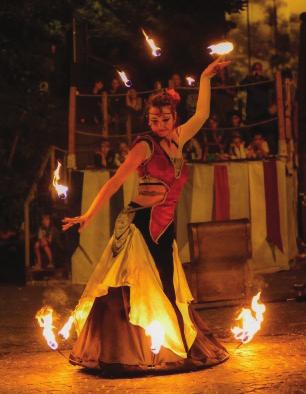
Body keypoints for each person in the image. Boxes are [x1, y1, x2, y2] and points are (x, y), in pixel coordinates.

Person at [62, 56, 230, 375]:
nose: (159, 125)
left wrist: (206, 76)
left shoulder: (179, 138)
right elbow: (114, 183)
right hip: (139, 223)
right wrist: (87, 215)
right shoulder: (145, 146)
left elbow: (204, 113)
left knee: (165, 286)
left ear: (173, 118)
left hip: (164, 227)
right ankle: (122, 349)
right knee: (131, 286)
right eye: (154, 120)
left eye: (164, 119)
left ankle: (165, 345)